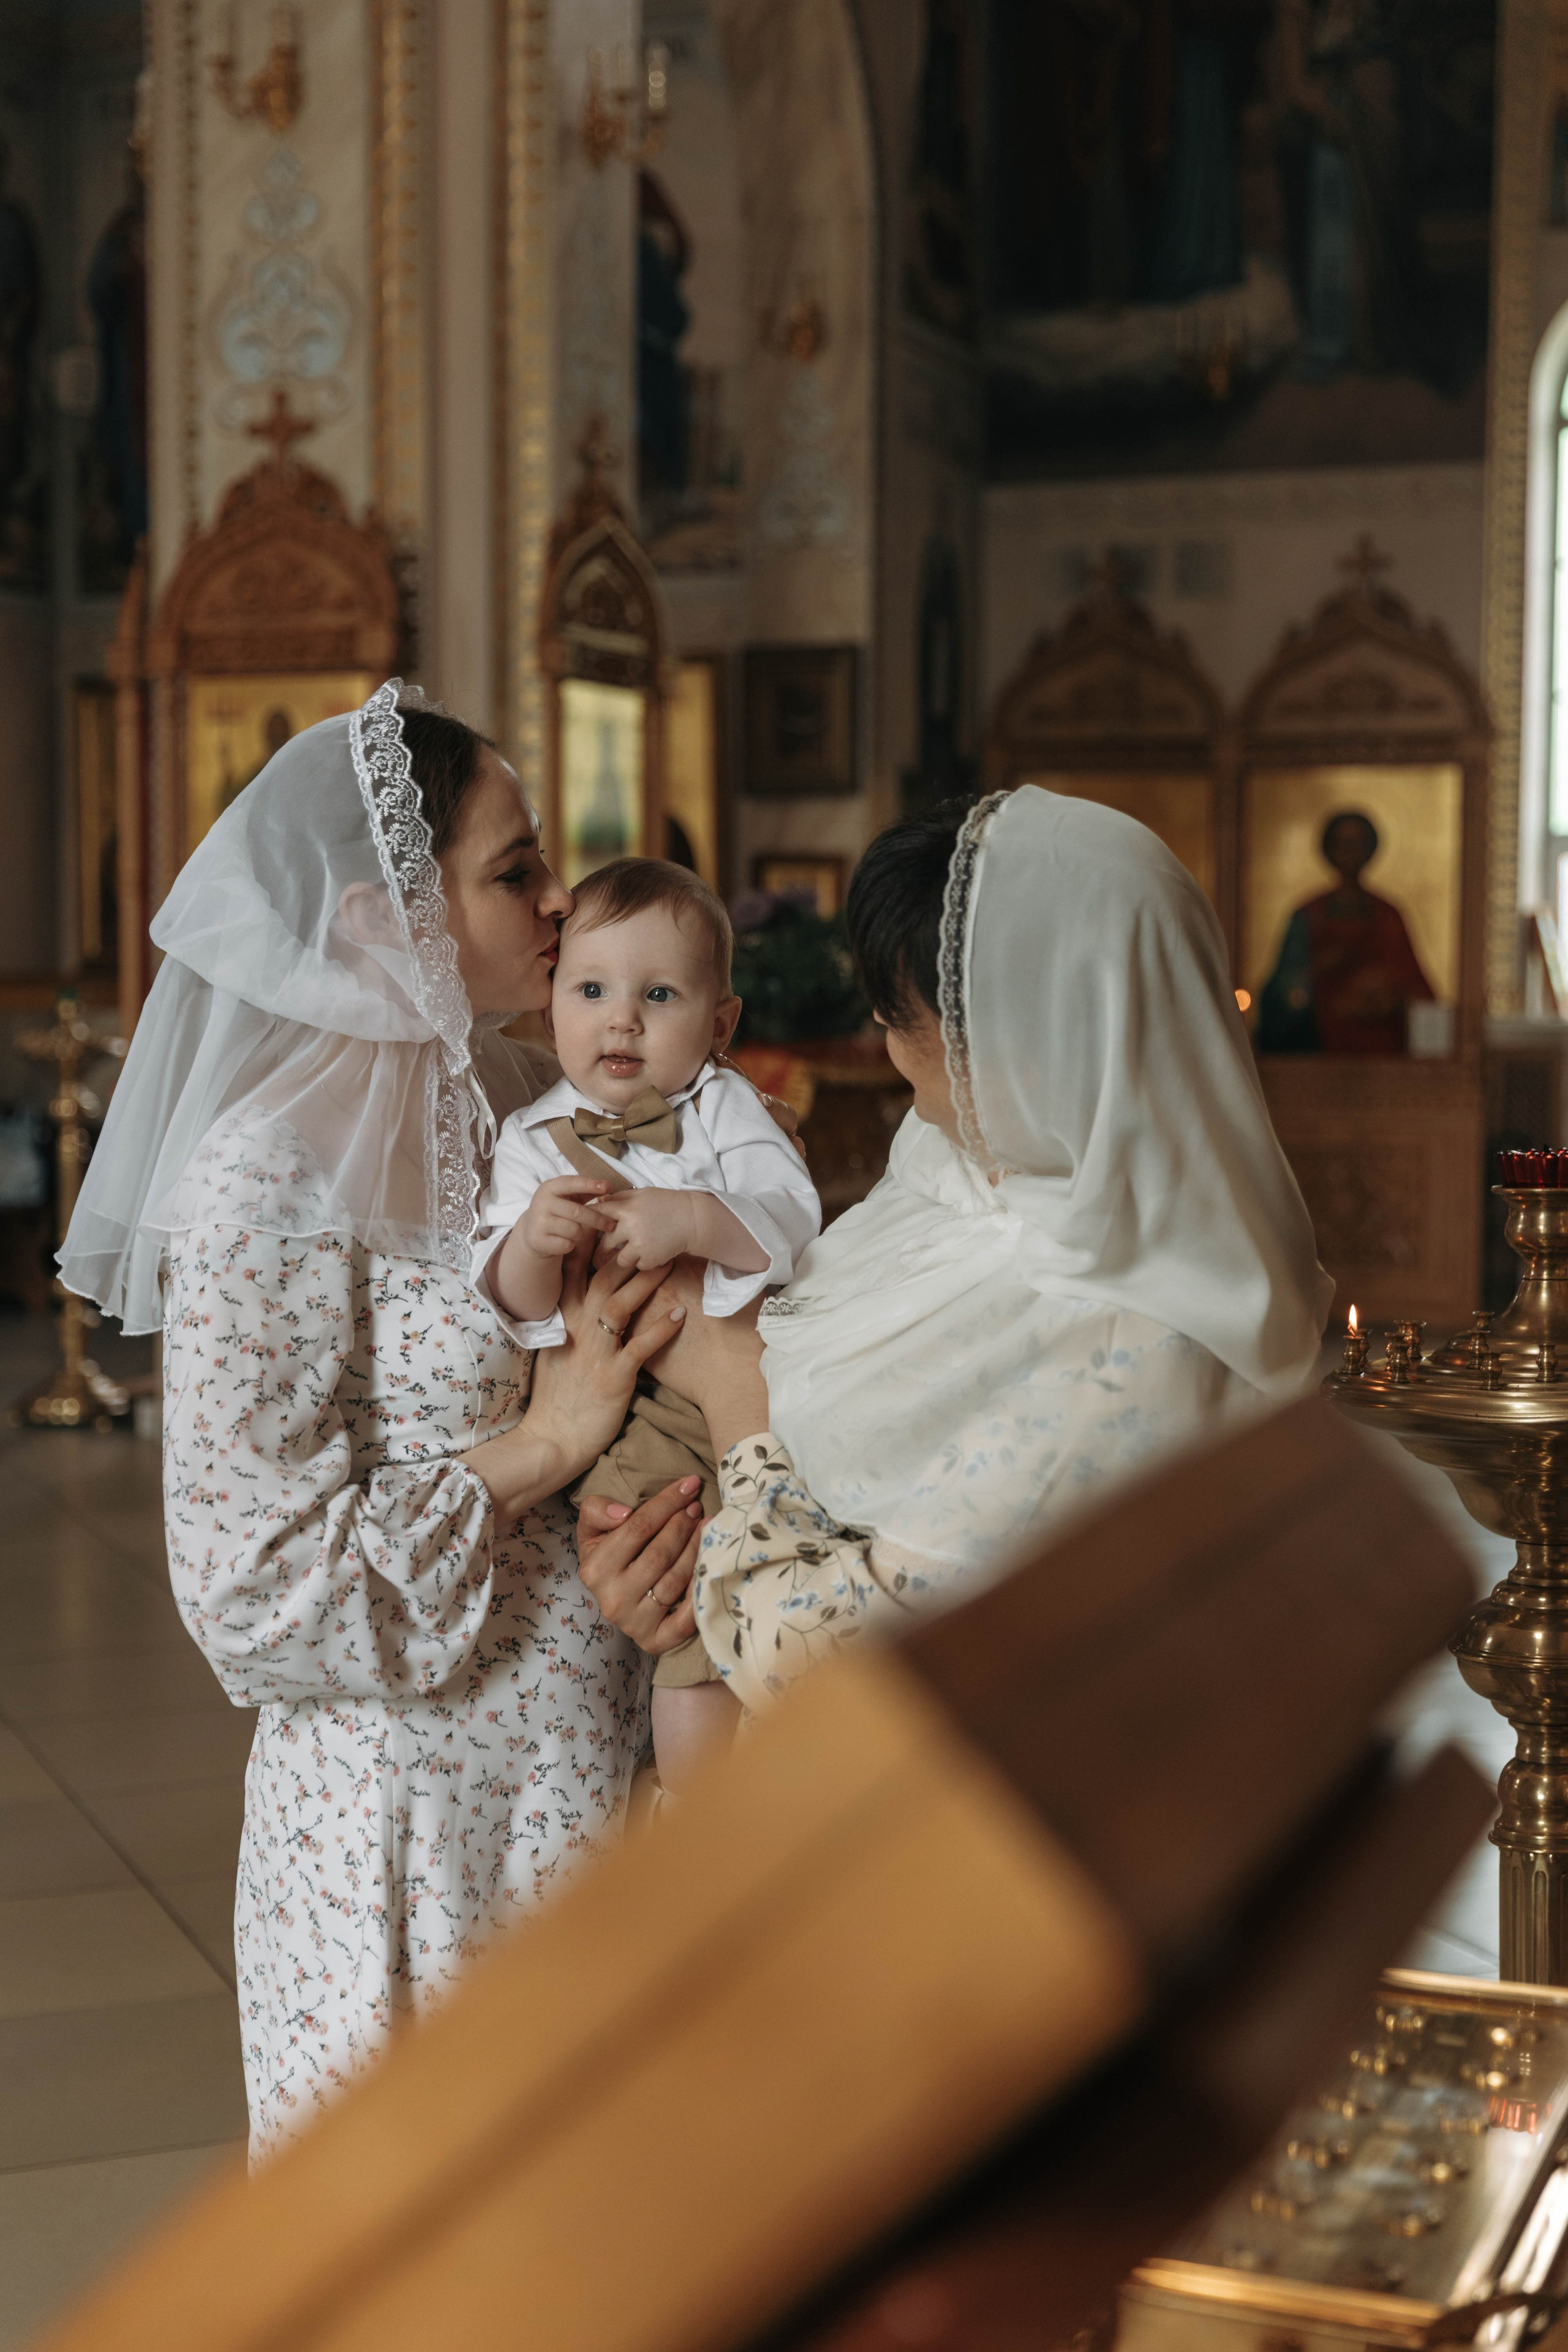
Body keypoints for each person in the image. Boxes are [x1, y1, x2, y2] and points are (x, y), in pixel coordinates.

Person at [58, 682, 696, 2160]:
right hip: (404, 1817)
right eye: (513, 869)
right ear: (377, 916)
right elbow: (248, 1586)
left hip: (590, 1749)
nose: (559, 901)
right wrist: (539, 1444)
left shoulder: (534, 1098)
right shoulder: (264, 1174)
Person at [576, 788, 1332, 1728]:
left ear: (1031, 1041)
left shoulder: (1141, 1343)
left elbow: (834, 1671)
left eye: (904, 1021)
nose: (891, 1055)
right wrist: (652, 1536)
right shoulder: (967, 1160)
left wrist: (735, 1402)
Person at [473, 856, 820, 1789]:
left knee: (784, 1570)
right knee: (692, 1605)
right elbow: (512, 1303)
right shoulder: (528, 1139)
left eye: (659, 994)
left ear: (721, 1023)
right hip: (631, 1419)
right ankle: (698, 1818)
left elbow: (792, 1220)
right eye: (591, 990)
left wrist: (702, 1220)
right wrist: (533, 1247)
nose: (622, 1017)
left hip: (755, 1394)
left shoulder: (728, 1107)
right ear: (552, 1012)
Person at [1256, 808, 1434, 1055]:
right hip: (1319, 1045)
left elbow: (1416, 987)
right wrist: (1317, 970)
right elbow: (1282, 991)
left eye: (1359, 844)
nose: (1350, 852)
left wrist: (1388, 994)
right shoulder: (1309, 915)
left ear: (1371, 849)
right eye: (1343, 844)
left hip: (1381, 1048)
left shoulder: (1388, 916)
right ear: (1328, 849)